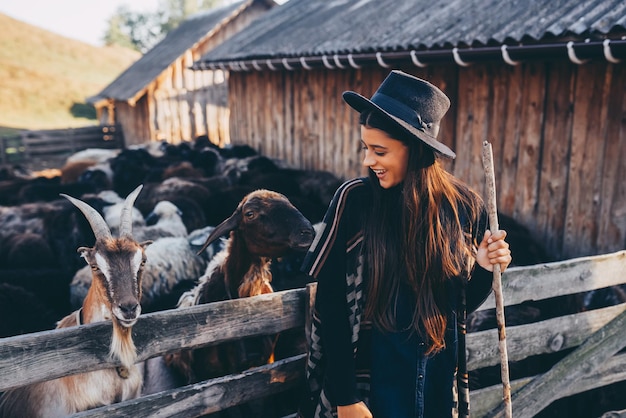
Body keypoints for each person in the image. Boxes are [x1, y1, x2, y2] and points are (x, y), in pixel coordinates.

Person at [298, 70, 512, 418]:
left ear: (414, 150)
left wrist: (487, 268)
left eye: (379, 151)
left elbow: (457, 306)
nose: (368, 161)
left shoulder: (465, 207)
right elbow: (332, 304)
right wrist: (345, 397)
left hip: (435, 381)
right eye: (365, 148)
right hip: (372, 386)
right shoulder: (355, 202)